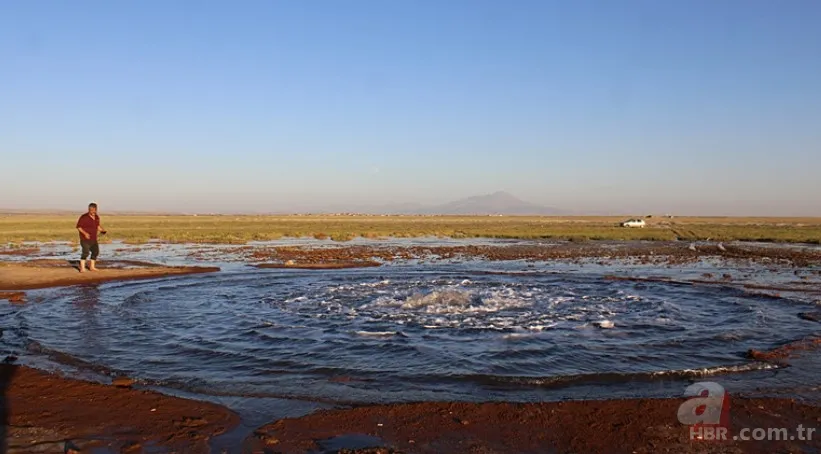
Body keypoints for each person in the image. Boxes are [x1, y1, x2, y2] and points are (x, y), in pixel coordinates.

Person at [76, 202, 107, 273]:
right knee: (85, 252)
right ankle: (82, 268)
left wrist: (102, 230)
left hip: (94, 238)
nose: (93, 211)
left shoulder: (97, 217)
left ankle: (92, 267)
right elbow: (79, 227)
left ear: (96, 209)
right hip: (85, 239)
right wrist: (85, 233)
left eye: (94, 210)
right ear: (89, 209)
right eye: (91, 210)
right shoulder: (84, 217)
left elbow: (97, 226)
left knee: (95, 252)